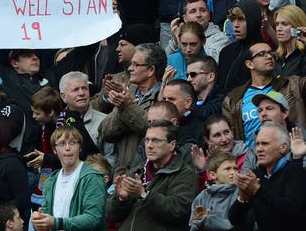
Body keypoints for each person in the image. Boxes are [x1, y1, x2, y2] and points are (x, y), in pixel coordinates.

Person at [106, 120, 199, 230]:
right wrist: (121, 199)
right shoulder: (136, 171)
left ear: (172, 145)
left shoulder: (184, 174)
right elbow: (112, 216)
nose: (149, 146)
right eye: (147, 140)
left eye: (156, 141)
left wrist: (144, 194)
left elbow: (177, 212)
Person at [98, 43, 166, 176]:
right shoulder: (128, 94)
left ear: (151, 70)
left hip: (145, 175)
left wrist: (127, 107)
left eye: (136, 65)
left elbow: (153, 129)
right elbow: (104, 132)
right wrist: (121, 108)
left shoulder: (163, 96)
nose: (130, 68)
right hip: (120, 174)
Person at [228, 122, 306, 230]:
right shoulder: (255, 174)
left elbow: (290, 213)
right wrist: (243, 198)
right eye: (257, 144)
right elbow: (235, 219)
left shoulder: (295, 172)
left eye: (265, 144)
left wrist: (257, 190)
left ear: (283, 148)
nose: (259, 149)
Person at [30, 126, 106, 231]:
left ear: (80, 147)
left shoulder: (92, 178)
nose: (67, 148)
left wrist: (56, 223)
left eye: (72, 143)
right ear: (54, 150)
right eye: (61, 143)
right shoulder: (51, 181)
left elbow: (93, 219)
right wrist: (39, 221)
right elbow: (47, 217)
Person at [166, 0, 230, 63]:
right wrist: (176, 41)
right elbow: (166, 62)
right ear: (185, 18)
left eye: (203, 10)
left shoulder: (221, 38)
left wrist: (180, 42)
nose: (199, 15)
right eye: (193, 11)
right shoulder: (180, 35)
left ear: (209, 15)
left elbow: (211, 62)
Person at [188, 151, 239, 231]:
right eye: (227, 169)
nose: (233, 172)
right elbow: (193, 225)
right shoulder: (202, 197)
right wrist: (198, 224)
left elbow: (238, 225)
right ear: (213, 175)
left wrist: (207, 220)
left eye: (235, 169)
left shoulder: (241, 194)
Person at [186, 56, 225, 120]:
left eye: (193, 74)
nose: (188, 79)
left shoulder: (222, 99)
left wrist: (182, 103)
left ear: (210, 77)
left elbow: (207, 113)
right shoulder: (190, 98)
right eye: (187, 75)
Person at [273, 5, 306, 77]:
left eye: (284, 24)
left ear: (297, 26)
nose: (278, 28)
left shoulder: (303, 56)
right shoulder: (276, 56)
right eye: (277, 24)